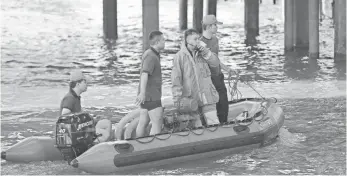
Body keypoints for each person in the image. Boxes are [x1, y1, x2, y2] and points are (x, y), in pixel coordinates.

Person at [171, 29, 221, 127]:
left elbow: (215, 63)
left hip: (207, 95)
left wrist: (206, 53)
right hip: (191, 99)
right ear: (187, 41)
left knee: (214, 122)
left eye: (198, 39)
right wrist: (177, 99)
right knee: (197, 128)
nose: (198, 41)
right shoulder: (179, 57)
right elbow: (176, 79)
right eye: (195, 39)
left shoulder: (204, 53)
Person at [200, 14, 239, 124]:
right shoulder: (200, 43)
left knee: (223, 103)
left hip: (219, 76)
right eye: (215, 25)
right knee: (213, 106)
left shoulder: (215, 40)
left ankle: (224, 125)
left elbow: (216, 60)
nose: (217, 27)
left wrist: (228, 69)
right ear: (208, 27)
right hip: (209, 80)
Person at [59, 70, 112, 143]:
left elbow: (77, 114)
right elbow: (64, 116)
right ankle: (94, 147)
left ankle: (98, 144)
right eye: (84, 82)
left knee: (106, 123)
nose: (87, 84)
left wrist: (90, 118)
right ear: (78, 84)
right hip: (76, 133)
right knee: (104, 133)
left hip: (81, 129)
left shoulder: (76, 97)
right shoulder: (69, 98)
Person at [135, 30, 166, 137]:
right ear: (157, 42)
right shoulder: (151, 56)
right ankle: (153, 148)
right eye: (163, 40)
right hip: (151, 96)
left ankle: (138, 145)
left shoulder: (151, 53)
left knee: (143, 122)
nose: (164, 42)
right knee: (157, 124)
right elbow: (144, 74)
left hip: (147, 97)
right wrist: (142, 93)